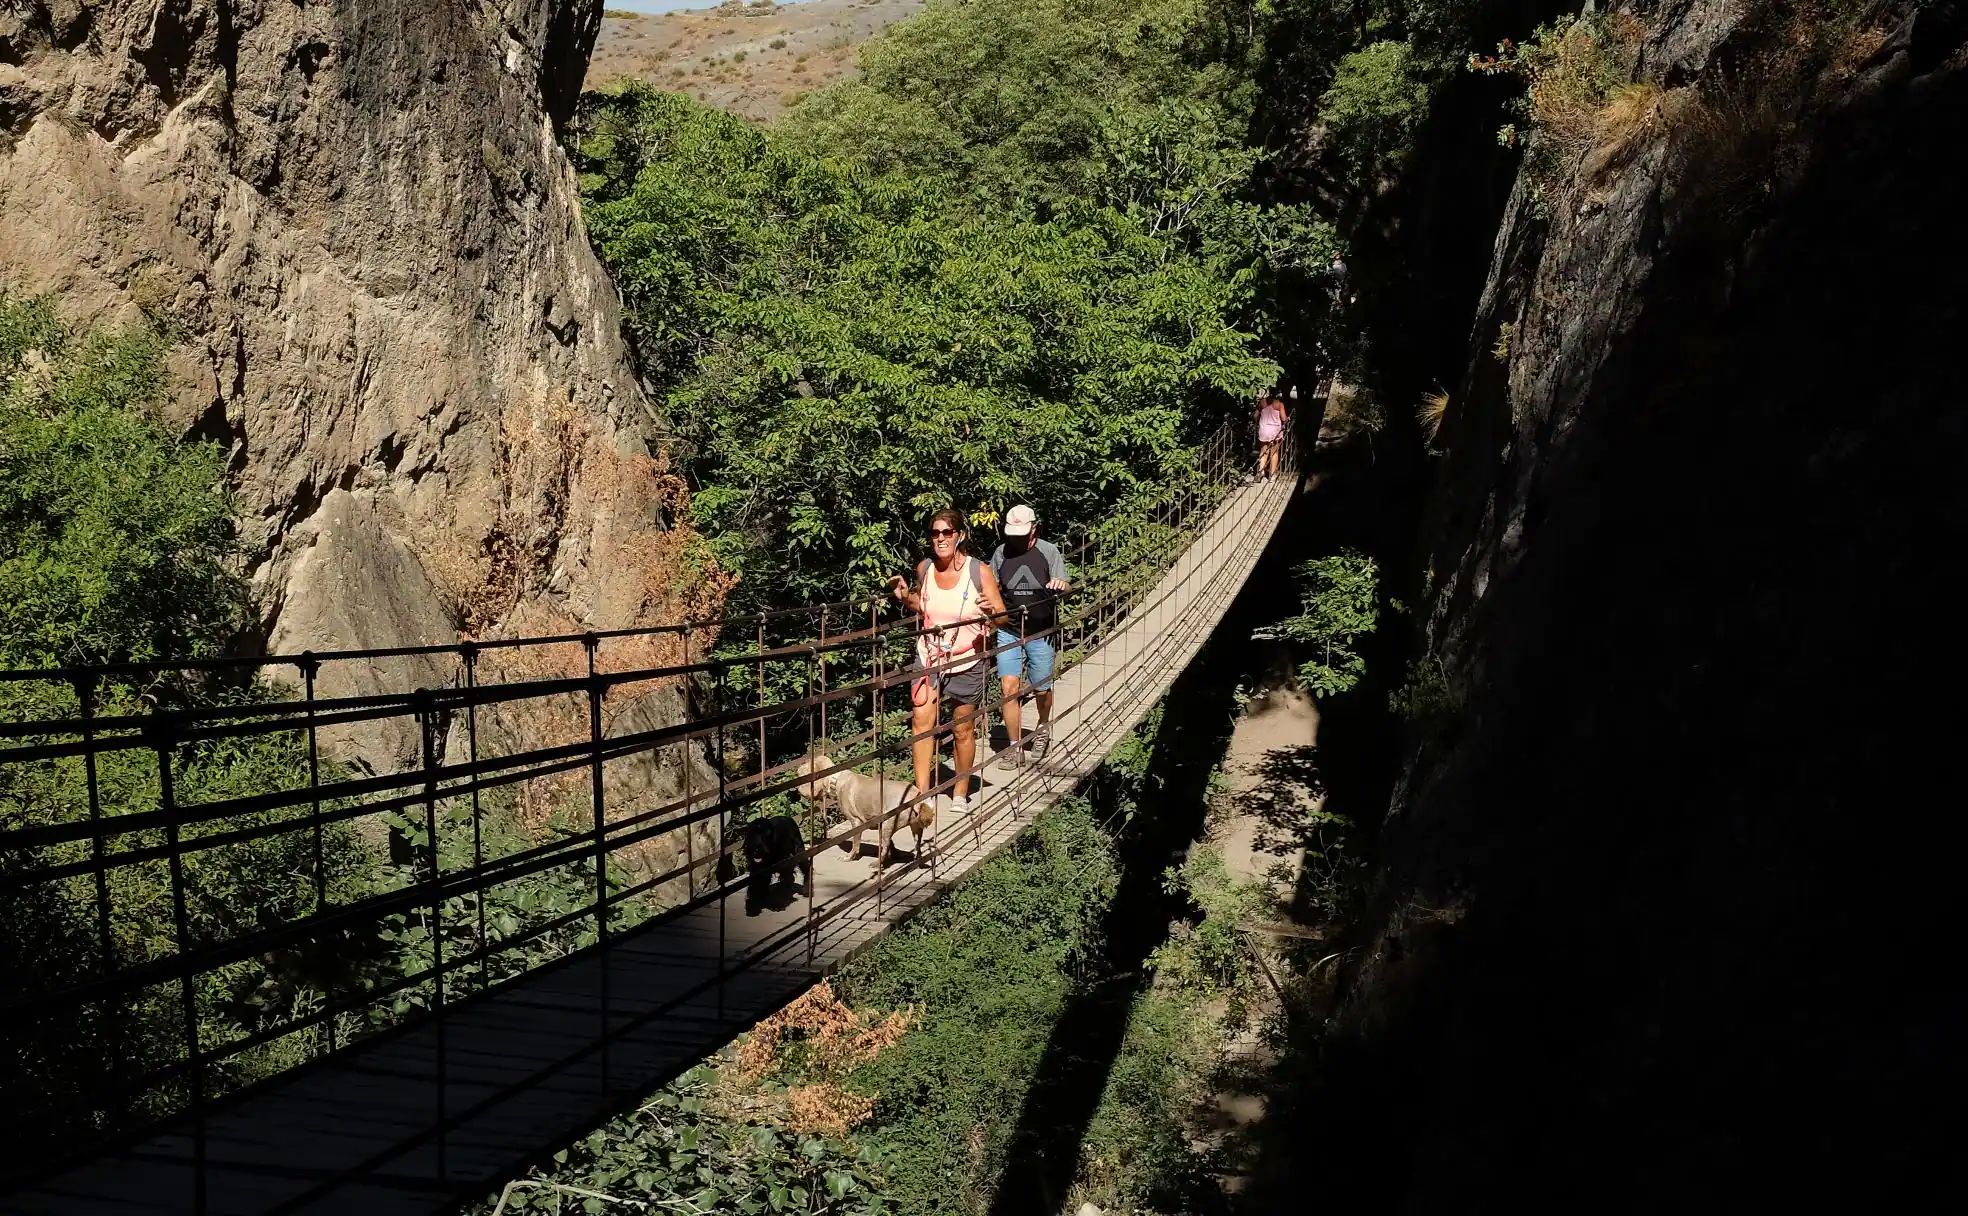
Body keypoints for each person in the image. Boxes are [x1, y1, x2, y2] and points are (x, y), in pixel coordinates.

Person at [888, 509, 1007, 819]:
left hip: (968, 658)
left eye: (946, 533)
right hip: (929, 657)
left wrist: (991, 610)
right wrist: (904, 597)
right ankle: (922, 795)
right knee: (921, 723)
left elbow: (1004, 617)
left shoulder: (979, 572)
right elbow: (922, 604)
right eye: (934, 533)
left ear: (960, 536)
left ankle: (959, 790)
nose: (939, 538)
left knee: (963, 729)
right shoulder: (924, 568)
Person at [989, 505, 1070, 765]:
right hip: (1009, 629)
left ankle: (1043, 727)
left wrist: (1061, 585)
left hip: (1041, 630)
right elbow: (992, 586)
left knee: (1041, 689)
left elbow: (1065, 583)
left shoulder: (1048, 551)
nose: (1017, 539)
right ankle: (1014, 747)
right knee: (1008, 688)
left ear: (1034, 529)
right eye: (1013, 534)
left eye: (1022, 534)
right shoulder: (1001, 553)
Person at [1255, 390, 1289, 480]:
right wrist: (1286, 420)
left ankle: (1261, 471)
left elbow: (1255, 416)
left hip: (1264, 430)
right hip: (1275, 431)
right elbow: (1283, 418)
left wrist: (1258, 422)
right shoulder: (1279, 404)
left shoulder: (1262, 403)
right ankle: (1272, 475)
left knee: (1263, 451)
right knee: (1274, 453)